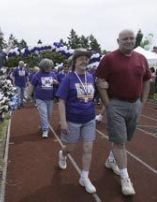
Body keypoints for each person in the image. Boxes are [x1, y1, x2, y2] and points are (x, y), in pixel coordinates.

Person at [96, 29, 151, 196]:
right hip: (116, 105)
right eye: (125, 38)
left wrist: (143, 102)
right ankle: (125, 179)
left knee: (125, 138)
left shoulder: (141, 58)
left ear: (135, 40)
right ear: (118, 40)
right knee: (120, 142)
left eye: (131, 38)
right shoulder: (109, 58)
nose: (128, 41)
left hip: (135, 105)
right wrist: (108, 104)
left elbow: (147, 80)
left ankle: (111, 160)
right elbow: (100, 81)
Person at [56, 49, 97, 193]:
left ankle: (84, 177)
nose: (84, 61)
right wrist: (63, 121)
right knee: (70, 148)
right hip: (73, 119)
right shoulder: (68, 78)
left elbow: (93, 96)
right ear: (75, 62)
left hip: (89, 119)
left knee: (88, 148)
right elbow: (61, 101)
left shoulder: (91, 77)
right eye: (81, 59)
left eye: (86, 59)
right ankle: (63, 154)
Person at [28, 58, 58, 138]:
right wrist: (29, 95)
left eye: (50, 67)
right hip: (40, 98)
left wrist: (56, 82)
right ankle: (45, 130)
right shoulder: (37, 75)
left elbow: (57, 84)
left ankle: (43, 125)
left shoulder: (53, 74)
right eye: (47, 67)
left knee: (48, 115)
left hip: (50, 98)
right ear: (43, 67)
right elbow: (32, 85)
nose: (49, 68)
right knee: (44, 114)